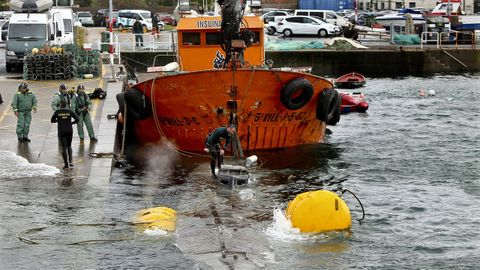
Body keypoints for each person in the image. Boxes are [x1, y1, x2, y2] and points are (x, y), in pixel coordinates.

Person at [51, 100, 79, 169]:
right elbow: (77, 119)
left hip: (61, 130)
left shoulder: (57, 112)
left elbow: (52, 120)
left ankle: (66, 164)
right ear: (66, 105)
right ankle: (71, 161)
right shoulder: (70, 111)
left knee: (64, 148)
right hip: (69, 130)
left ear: (60, 105)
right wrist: (71, 123)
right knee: (69, 146)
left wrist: (59, 120)